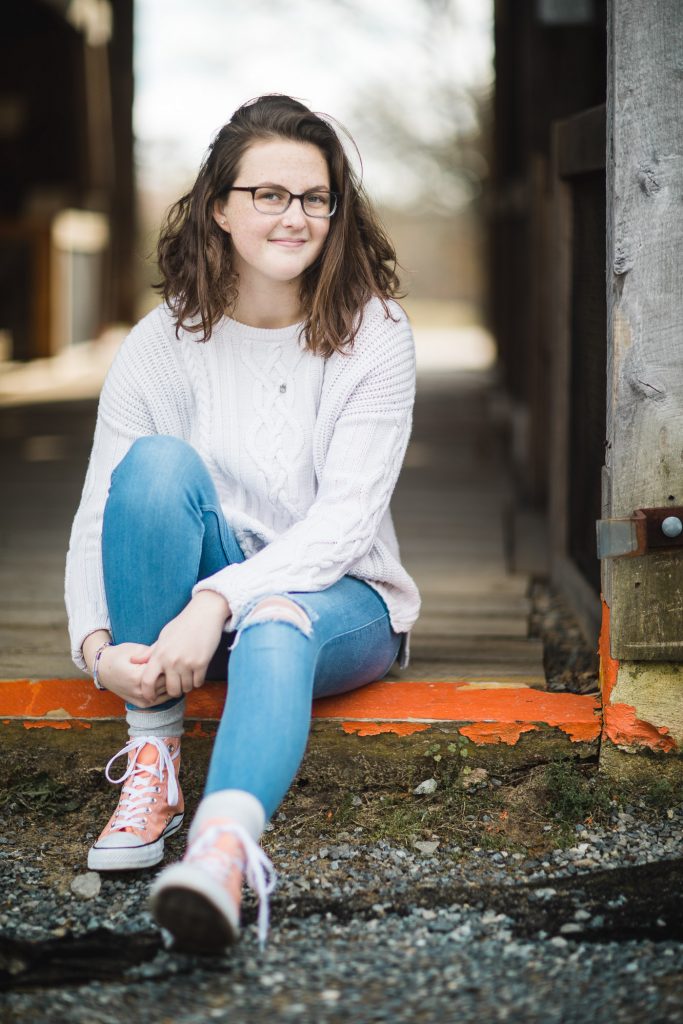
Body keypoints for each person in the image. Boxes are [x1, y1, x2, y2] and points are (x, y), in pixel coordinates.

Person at [64, 93, 421, 954]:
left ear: (336, 211)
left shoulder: (373, 334)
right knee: (151, 468)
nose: (293, 216)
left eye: (314, 196)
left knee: (274, 612)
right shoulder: (163, 340)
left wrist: (217, 600)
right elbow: (96, 513)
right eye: (268, 194)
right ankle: (152, 761)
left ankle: (222, 854)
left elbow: (342, 526)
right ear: (220, 208)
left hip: (344, 600)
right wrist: (95, 645)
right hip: (197, 608)